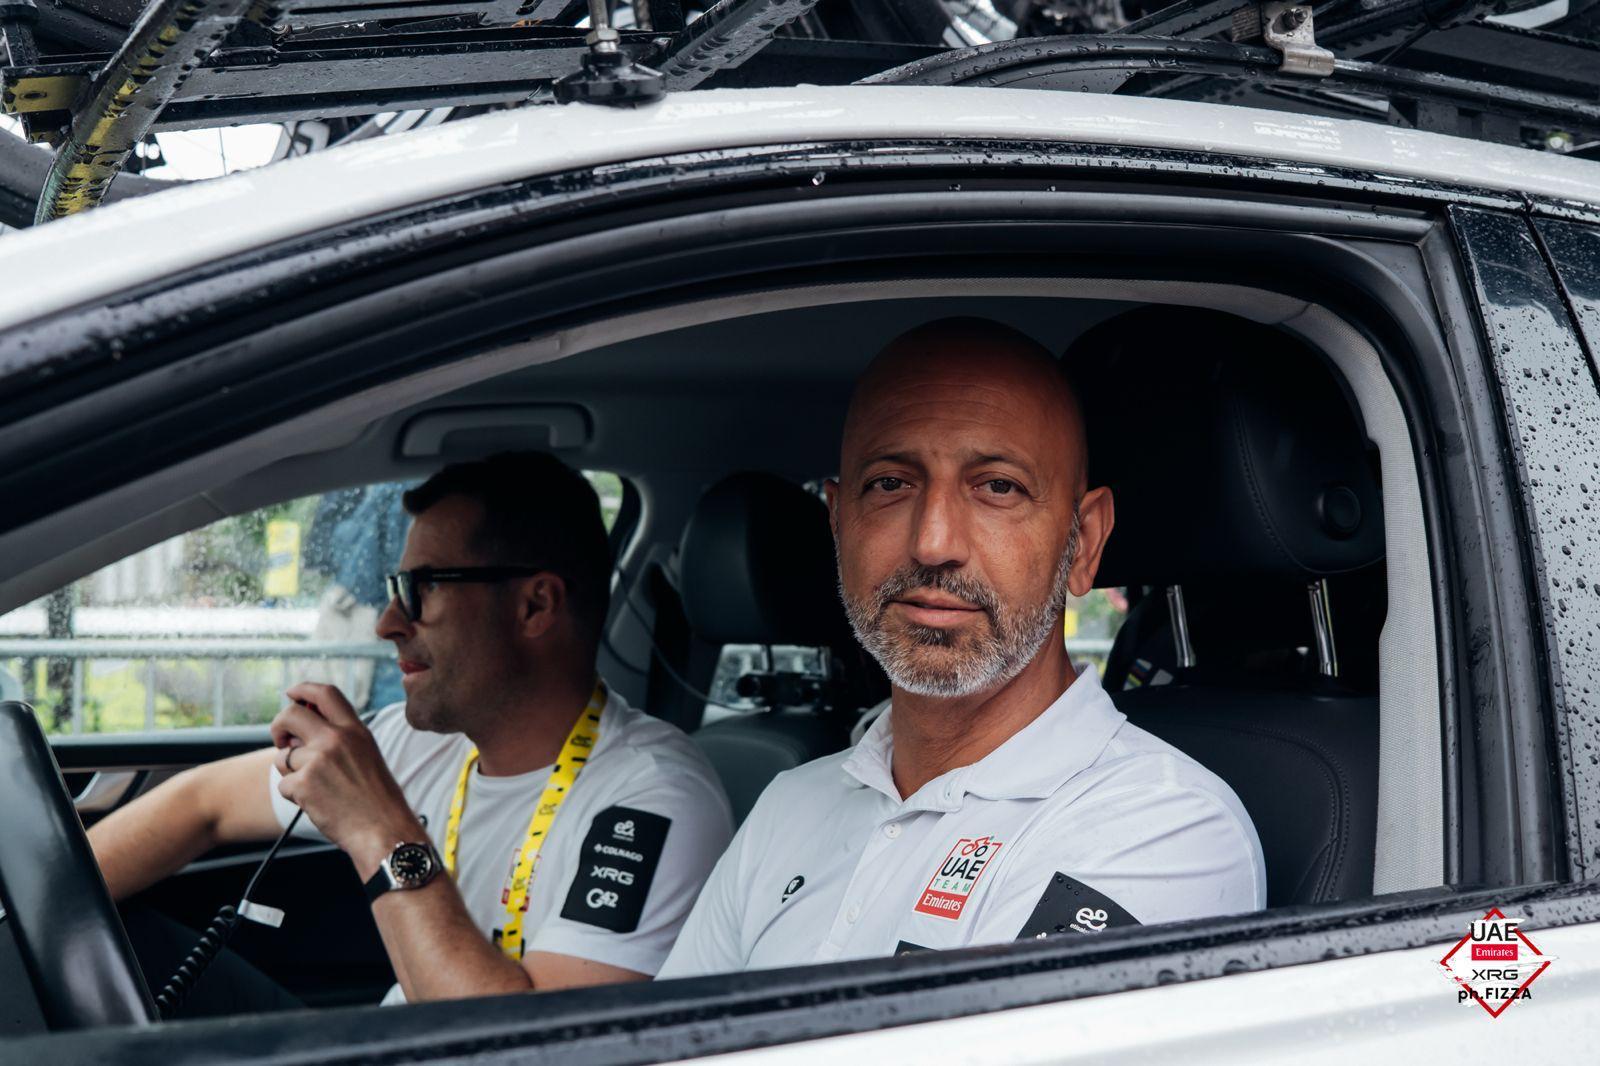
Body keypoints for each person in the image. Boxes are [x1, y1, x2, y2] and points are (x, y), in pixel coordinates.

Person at [657, 318, 1264, 976]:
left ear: (1082, 542)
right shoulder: (790, 804)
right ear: (838, 526)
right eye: (891, 484)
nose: (933, 542)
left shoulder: (1161, 830)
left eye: (998, 486)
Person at [90, 452, 733, 1011]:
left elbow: (528, 1049)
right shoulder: (424, 740)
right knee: (106, 942)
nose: (389, 622)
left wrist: (377, 823)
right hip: (386, 1036)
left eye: (421, 589)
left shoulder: (650, 796)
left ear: (535, 605)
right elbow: (200, 804)